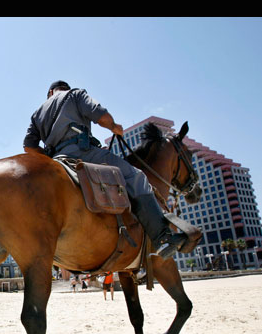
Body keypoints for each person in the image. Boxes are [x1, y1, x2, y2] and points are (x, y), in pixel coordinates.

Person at [23, 80, 188, 259]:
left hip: (56, 159)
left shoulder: (37, 113)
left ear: (50, 93)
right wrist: (114, 127)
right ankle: (162, 238)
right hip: (83, 152)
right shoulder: (75, 94)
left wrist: (50, 156)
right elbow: (101, 116)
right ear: (65, 89)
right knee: (137, 177)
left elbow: (29, 146)